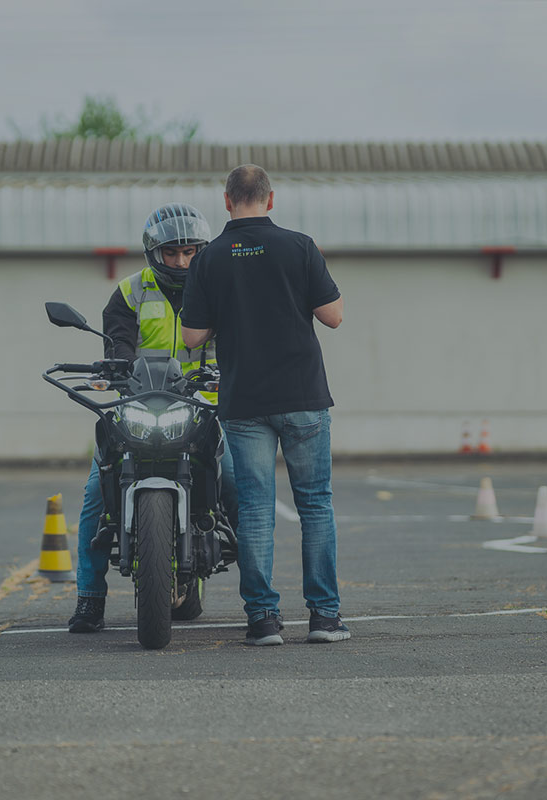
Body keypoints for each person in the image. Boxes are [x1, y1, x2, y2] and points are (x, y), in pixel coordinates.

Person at [180, 165, 348, 646]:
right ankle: (325, 619)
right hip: (302, 397)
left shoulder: (208, 259)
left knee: (254, 510)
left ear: (227, 200)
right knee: (315, 505)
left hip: (245, 400)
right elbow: (334, 317)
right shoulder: (299, 246)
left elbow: (193, 336)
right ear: (270, 200)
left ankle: (263, 621)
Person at [69, 202, 238, 633]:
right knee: (95, 494)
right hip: (140, 407)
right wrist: (115, 368)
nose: (182, 261)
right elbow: (118, 344)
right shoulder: (130, 292)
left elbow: (236, 343)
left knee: (241, 482)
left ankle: (259, 603)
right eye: (172, 253)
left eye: (190, 252)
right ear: (153, 253)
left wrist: (226, 371)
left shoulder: (221, 290)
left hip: (201, 407)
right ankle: (89, 600)